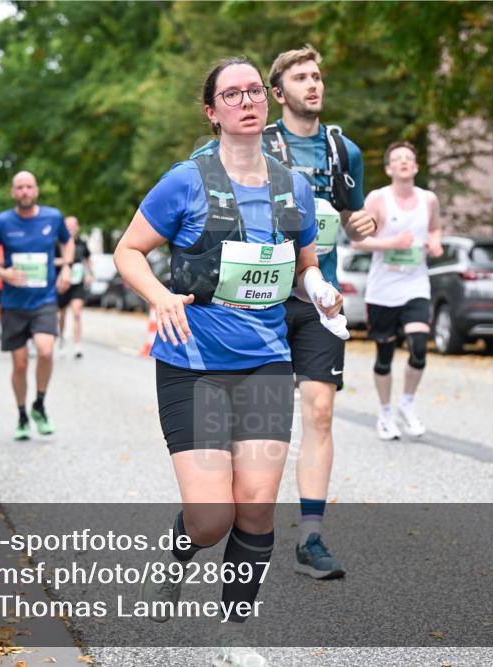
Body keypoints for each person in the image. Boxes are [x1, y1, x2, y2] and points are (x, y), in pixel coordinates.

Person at [115, 57, 340, 667]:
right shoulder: (184, 181)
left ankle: (235, 631)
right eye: (230, 94)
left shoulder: (293, 185)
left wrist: (319, 290)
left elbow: (306, 262)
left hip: (266, 361)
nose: (246, 101)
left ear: (265, 103)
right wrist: (159, 295)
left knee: (259, 504)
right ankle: (181, 550)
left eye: (252, 92)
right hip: (192, 363)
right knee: (212, 516)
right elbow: (129, 250)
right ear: (213, 111)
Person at [192, 45, 375, 580]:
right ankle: (225, 508)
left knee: (318, 412)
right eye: (301, 77)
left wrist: (363, 227)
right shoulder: (256, 142)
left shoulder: (346, 151)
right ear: (278, 93)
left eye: (317, 76)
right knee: (248, 418)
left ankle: (311, 537)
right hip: (258, 300)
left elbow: (352, 217)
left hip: (319, 297)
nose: (313, 85)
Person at [352, 141, 443, 440]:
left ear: (416, 167)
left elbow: (434, 228)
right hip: (383, 289)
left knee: (419, 347)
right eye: (397, 159)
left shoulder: (428, 199)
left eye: (409, 158)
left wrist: (435, 243)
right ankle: (385, 412)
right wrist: (391, 243)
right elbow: (357, 241)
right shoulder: (379, 199)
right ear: (389, 168)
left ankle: (407, 403)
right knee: (385, 355)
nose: (404, 162)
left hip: (415, 283)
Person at [0, 171, 73, 440]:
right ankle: (21, 415)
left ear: (36, 190)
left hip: (44, 299)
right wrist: (4, 273)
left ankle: (39, 405)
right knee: (19, 365)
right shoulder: (2, 222)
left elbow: (68, 243)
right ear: (13, 193)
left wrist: (66, 267)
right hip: (13, 302)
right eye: (19, 187)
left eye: (28, 187)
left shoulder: (53, 217)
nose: (24, 192)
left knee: (45, 351)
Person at [56, 215, 93, 358]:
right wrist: (66, 262)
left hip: (77, 283)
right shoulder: (57, 243)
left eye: (73, 226)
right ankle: (61, 337)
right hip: (62, 283)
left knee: (77, 313)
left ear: (77, 227)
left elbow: (88, 259)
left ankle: (77, 345)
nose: (70, 229)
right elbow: (50, 260)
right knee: (61, 315)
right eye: (67, 226)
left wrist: (91, 273)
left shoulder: (82, 243)